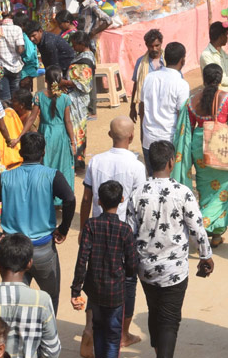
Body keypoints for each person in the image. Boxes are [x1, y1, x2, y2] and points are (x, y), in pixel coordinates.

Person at [0, 133, 76, 316]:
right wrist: (63, 229)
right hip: (43, 249)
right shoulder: (52, 175)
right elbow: (69, 199)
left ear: (21, 152)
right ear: (43, 152)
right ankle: (46, 338)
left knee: (15, 303)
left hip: (13, 250)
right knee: (50, 298)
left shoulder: (5, 178)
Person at [132, 141, 214, 358]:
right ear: (171, 162)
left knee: (154, 310)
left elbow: (129, 229)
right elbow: (197, 227)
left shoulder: (138, 192)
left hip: (145, 268)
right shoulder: (182, 192)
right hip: (174, 271)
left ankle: (159, 351)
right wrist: (206, 256)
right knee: (169, 320)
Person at [80, 117, 145, 352]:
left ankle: (90, 325)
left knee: (95, 275)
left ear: (109, 135)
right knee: (127, 283)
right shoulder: (137, 167)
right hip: (125, 232)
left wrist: (83, 227)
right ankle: (123, 333)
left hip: (96, 229)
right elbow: (140, 205)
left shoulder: (96, 162)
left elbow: (86, 198)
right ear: (132, 136)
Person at [71, 181, 138, 358]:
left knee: (98, 329)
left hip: (95, 290)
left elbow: (82, 260)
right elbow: (132, 264)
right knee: (113, 335)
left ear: (99, 201)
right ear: (122, 199)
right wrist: (126, 274)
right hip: (116, 292)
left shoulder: (90, 226)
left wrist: (76, 289)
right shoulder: (125, 229)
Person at [182, 64, 228, 245]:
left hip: (200, 148)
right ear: (220, 79)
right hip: (221, 147)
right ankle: (205, 227)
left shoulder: (192, 100)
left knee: (206, 190)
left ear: (203, 78)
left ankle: (215, 235)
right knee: (225, 189)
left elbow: (190, 127)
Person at [139, 42, 190, 161]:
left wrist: (142, 135)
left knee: (152, 178)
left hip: (149, 140)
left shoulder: (149, 78)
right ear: (182, 60)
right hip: (169, 142)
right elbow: (181, 115)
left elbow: (142, 108)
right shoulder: (182, 84)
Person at [129, 29, 165, 124]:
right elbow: (136, 85)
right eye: (151, 46)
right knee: (145, 136)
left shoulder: (168, 61)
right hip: (146, 107)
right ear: (146, 46)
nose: (154, 49)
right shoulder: (141, 63)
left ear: (161, 43)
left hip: (164, 106)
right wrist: (132, 107)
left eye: (157, 45)